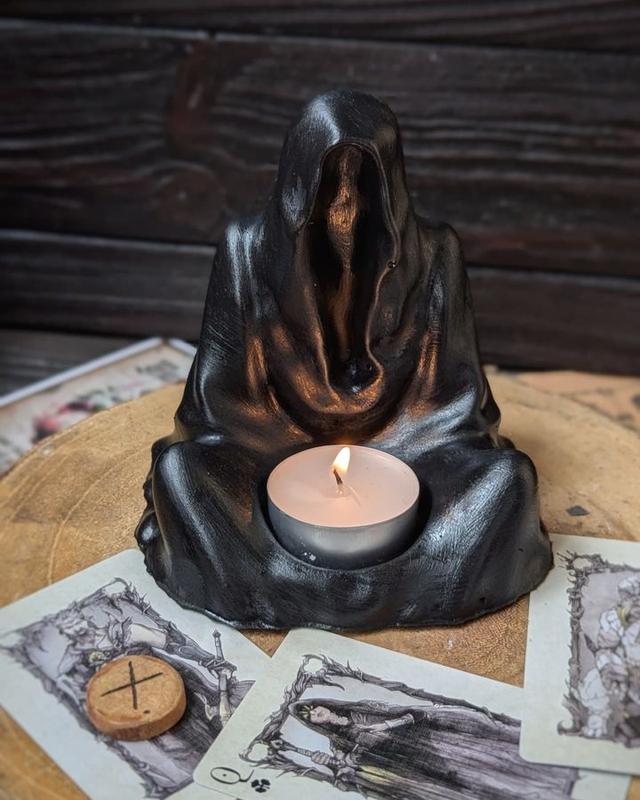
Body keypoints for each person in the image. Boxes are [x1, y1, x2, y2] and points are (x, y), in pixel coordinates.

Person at [289, 698, 577, 799]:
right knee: (476, 781)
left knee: (493, 759)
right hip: (419, 764)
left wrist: (386, 725)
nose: (315, 713)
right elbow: (356, 766)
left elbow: (414, 715)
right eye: (310, 716)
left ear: (325, 705)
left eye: (313, 708)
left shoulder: (363, 710)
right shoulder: (338, 744)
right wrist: (329, 761)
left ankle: (557, 775)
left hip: (435, 741)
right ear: (314, 724)